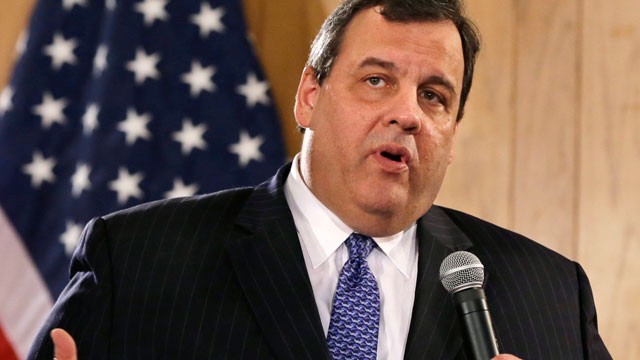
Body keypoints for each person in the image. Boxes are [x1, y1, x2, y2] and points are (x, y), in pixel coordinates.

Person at [28, 0, 611, 359]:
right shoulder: (140, 261)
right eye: (377, 80)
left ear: (451, 134)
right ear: (310, 95)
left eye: (434, 96)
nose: (407, 113)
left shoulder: (551, 298)